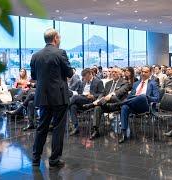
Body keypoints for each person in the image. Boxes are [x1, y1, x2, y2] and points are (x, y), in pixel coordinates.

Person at [30, 28, 74, 169]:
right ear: (55, 38)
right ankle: (54, 159)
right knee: (58, 128)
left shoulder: (36, 55)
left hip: (43, 97)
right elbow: (69, 73)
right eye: (59, 38)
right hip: (59, 97)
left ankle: (35, 158)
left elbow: (34, 77)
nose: (60, 40)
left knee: (41, 127)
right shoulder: (60, 53)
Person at [83, 67, 130, 140]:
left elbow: (120, 92)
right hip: (106, 104)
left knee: (113, 97)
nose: (113, 73)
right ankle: (96, 130)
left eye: (115, 72)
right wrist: (98, 99)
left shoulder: (125, 82)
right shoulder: (108, 83)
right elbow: (102, 93)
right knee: (97, 107)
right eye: (112, 72)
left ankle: (91, 105)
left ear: (120, 74)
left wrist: (110, 95)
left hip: (117, 104)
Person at [118, 66, 159, 144]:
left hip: (145, 106)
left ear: (150, 73)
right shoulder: (136, 84)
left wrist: (146, 97)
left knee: (142, 96)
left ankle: (118, 104)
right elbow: (130, 97)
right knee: (124, 107)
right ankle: (124, 134)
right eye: (142, 72)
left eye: (146, 72)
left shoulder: (153, 84)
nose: (143, 73)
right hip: (134, 105)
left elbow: (157, 99)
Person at [69, 68, 104, 136]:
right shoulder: (83, 82)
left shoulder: (98, 82)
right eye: (84, 77)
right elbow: (80, 92)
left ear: (90, 74)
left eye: (86, 77)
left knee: (74, 97)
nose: (85, 78)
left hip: (91, 101)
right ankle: (76, 127)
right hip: (82, 99)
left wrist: (93, 95)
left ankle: (65, 105)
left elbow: (101, 94)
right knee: (73, 106)